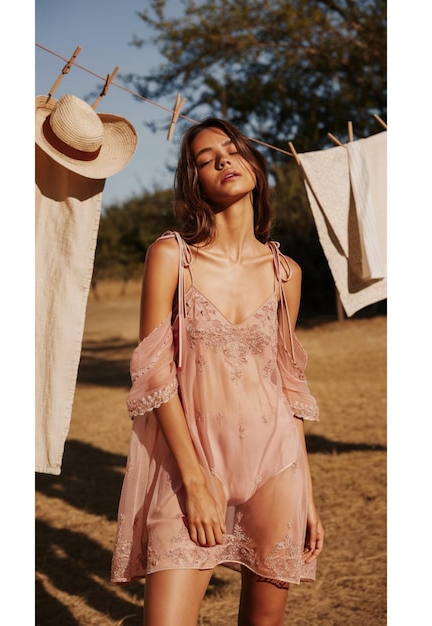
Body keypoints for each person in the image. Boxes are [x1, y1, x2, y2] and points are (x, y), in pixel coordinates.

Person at [111, 117, 324, 625]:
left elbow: (288, 383)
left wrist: (307, 494)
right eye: (207, 160)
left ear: (254, 166)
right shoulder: (171, 257)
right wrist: (194, 478)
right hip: (193, 465)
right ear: (196, 183)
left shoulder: (285, 273)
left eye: (232, 151)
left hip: (276, 468)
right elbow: (154, 374)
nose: (223, 160)